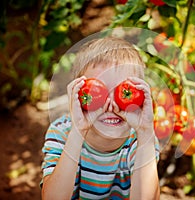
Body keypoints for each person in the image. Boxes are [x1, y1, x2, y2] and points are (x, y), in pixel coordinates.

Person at [40, 36, 160, 200]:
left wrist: (145, 132)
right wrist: (78, 131)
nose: (110, 106)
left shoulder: (140, 141)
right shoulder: (61, 132)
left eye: (123, 93)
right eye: (98, 92)